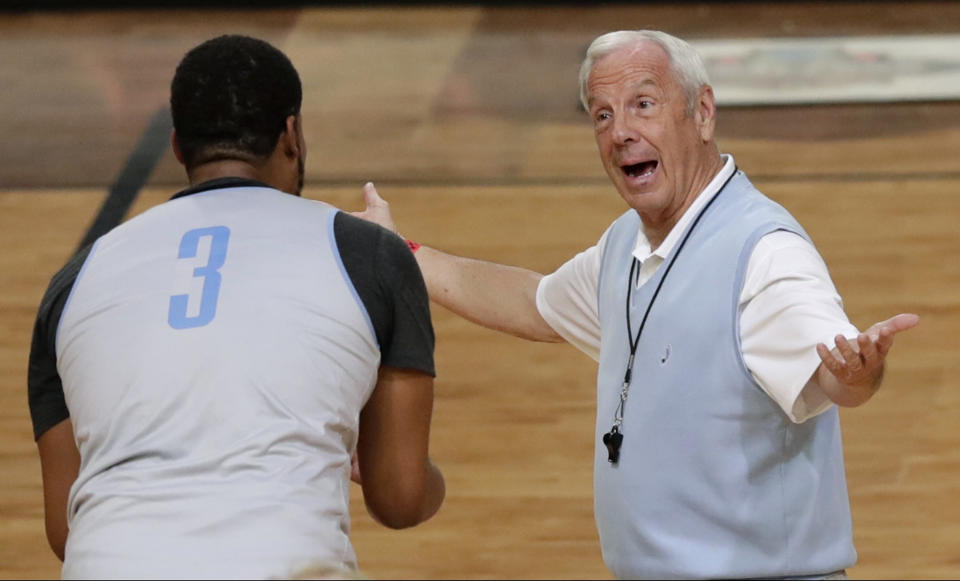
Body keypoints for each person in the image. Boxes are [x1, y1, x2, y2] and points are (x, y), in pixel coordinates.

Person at [353, 30, 919, 579]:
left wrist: (860, 373)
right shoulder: (627, 243)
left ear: (702, 113)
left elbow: (835, 379)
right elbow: (533, 301)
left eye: (642, 105)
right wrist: (396, 251)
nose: (620, 132)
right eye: (602, 115)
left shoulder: (765, 253)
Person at [28, 34, 444, 579]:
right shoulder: (369, 255)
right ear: (291, 134)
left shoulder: (73, 280)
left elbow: (67, 527)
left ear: (178, 146)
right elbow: (401, 501)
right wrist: (413, 474)